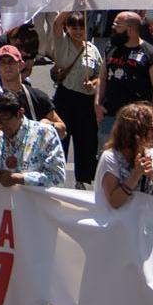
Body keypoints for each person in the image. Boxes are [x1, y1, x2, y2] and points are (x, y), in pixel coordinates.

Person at [43, 11, 104, 186]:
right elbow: (56, 23)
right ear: (67, 28)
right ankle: (55, 178)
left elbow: (100, 75)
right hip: (65, 97)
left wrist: (94, 84)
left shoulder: (92, 50)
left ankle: (81, 180)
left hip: (85, 100)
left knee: (86, 140)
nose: (78, 31)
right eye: (73, 27)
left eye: (81, 27)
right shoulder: (63, 43)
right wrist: (74, 4)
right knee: (60, 137)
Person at [0, 90, 67, 188]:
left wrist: (18, 179)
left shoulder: (44, 134)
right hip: (3, 201)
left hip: (36, 202)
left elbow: (57, 178)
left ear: (20, 113)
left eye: (4, 119)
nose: (0, 125)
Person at [97, 102, 153, 207]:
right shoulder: (110, 157)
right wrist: (136, 175)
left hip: (147, 221)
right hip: (118, 222)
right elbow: (114, 202)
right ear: (139, 133)